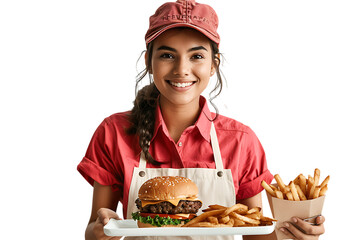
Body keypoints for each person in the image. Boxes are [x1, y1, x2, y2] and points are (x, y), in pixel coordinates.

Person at [77, 0, 326, 239]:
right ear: (148, 62)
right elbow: (93, 229)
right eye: (167, 55)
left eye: (196, 56)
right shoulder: (113, 132)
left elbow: (255, 235)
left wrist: (296, 236)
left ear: (213, 65)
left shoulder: (242, 141)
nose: (181, 69)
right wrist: (102, 229)